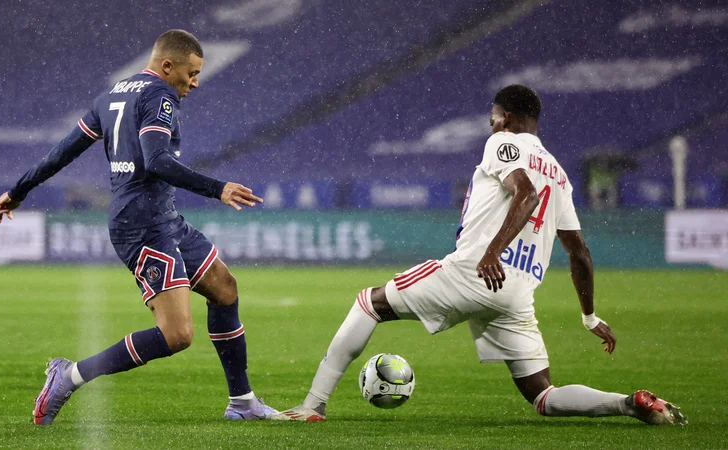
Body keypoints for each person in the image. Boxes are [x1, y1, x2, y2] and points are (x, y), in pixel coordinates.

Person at [271, 85, 687, 425]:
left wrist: (492, 251)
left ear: (504, 117)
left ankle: (312, 405)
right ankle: (629, 404)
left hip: (474, 271)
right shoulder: (559, 172)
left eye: (492, 115)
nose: (490, 123)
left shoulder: (502, 142)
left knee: (369, 303)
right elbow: (578, 252)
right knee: (542, 394)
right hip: (517, 294)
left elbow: (525, 194)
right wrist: (589, 317)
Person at [0, 29, 278, 425]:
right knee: (177, 335)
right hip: (142, 226)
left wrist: (19, 189)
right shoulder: (160, 96)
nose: (194, 83)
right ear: (167, 65)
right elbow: (156, 160)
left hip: (163, 218)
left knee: (224, 288)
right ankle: (68, 376)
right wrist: (218, 188)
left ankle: (243, 403)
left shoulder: (112, 94)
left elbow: (63, 151)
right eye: (190, 73)